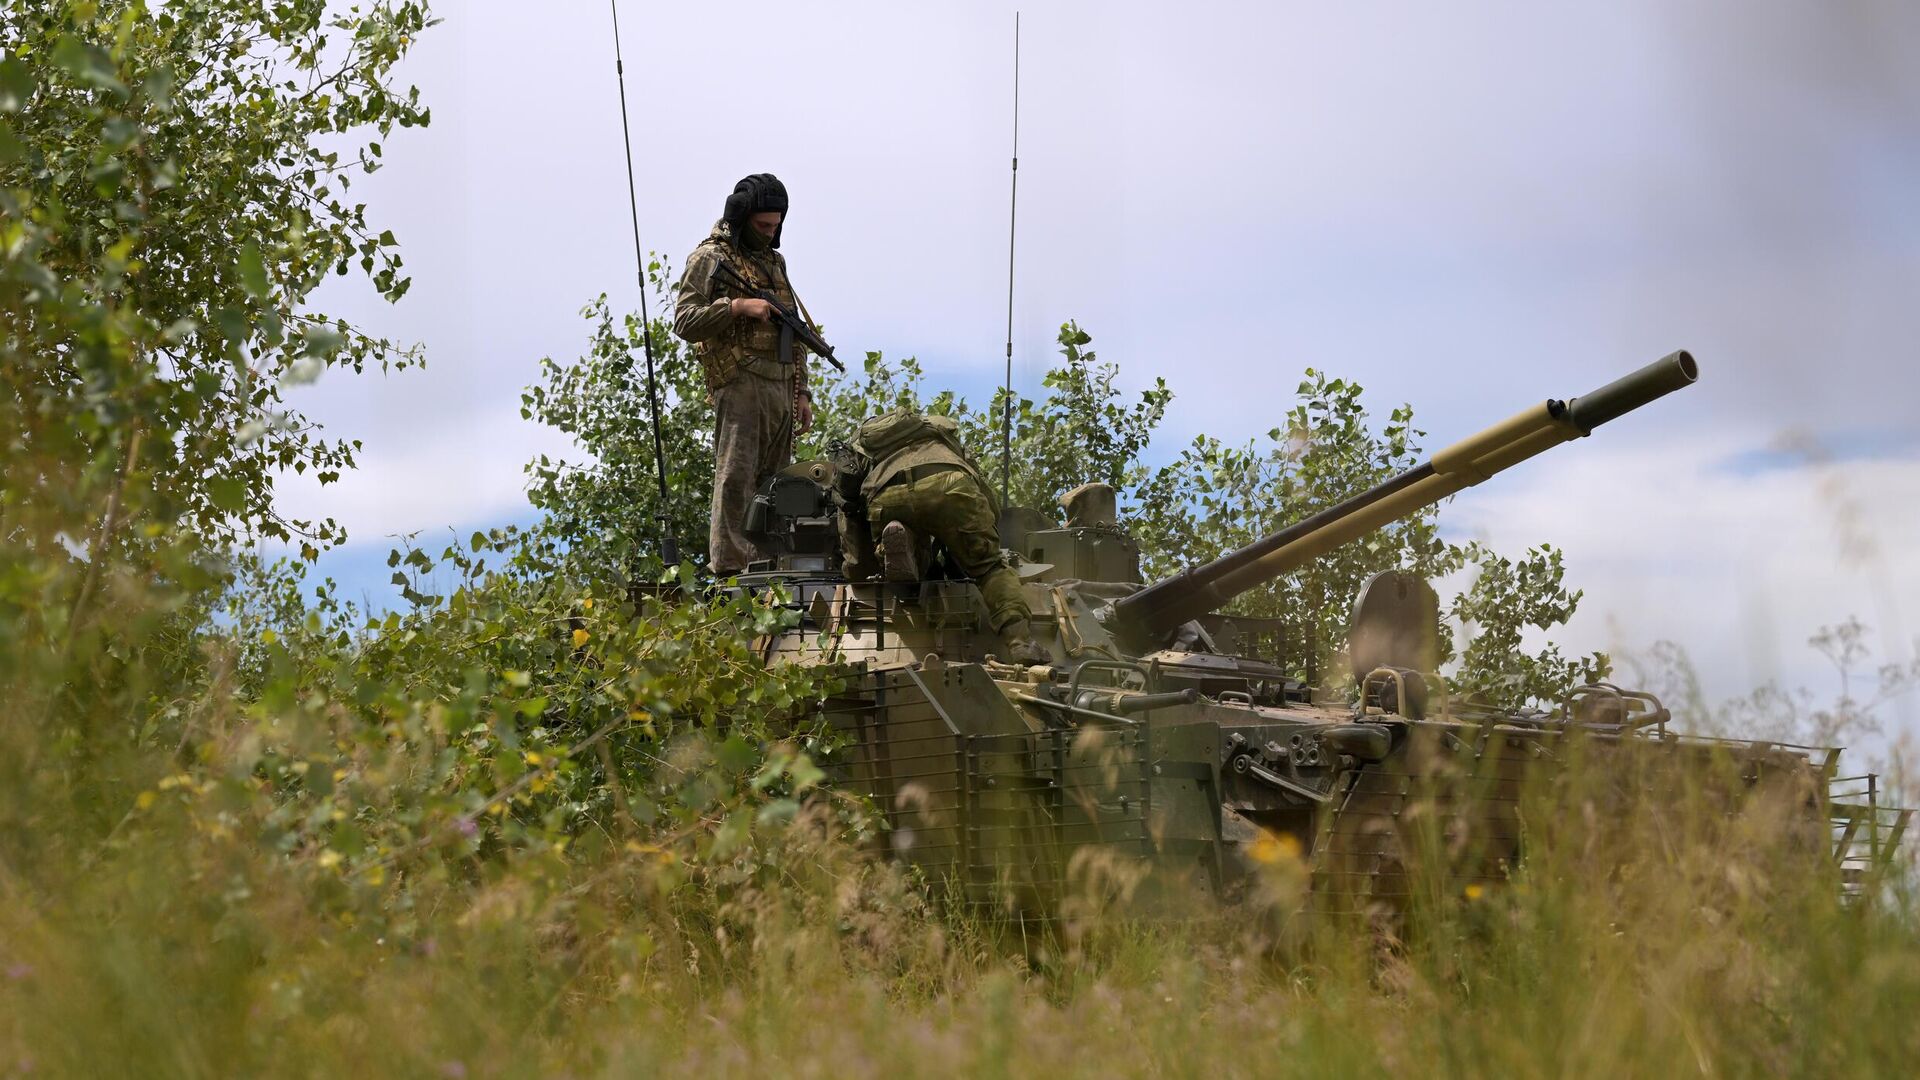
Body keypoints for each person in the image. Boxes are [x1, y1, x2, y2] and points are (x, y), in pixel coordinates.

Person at [672, 173, 818, 576]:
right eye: (762, 226)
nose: (770, 234)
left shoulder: (774, 262)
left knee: (776, 484)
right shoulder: (710, 258)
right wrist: (736, 307)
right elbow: (684, 320)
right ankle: (731, 570)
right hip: (740, 381)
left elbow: (793, 330)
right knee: (736, 475)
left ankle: (767, 565)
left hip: (780, 385)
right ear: (741, 218)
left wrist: (802, 391)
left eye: (776, 226)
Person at [833, 408, 1051, 666]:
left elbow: (849, 512)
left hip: (886, 492)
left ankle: (905, 552)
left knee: (905, 548)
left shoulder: (859, 448)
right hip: (951, 483)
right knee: (990, 567)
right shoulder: (939, 434)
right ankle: (1021, 644)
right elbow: (984, 494)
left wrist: (856, 569)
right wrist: (978, 543)